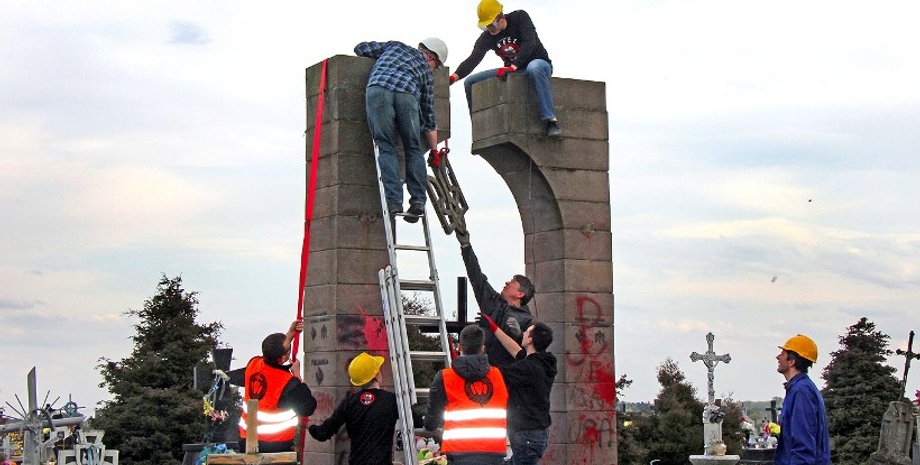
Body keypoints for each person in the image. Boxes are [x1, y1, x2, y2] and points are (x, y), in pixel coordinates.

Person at [354, 37, 448, 223]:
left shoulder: (394, 46)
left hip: (378, 90)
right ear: (431, 57)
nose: (434, 70)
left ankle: (394, 202)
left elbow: (360, 48)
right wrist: (434, 150)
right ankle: (418, 202)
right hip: (407, 97)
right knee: (413, 148)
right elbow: (429, 117)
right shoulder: (426, 73)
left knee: (386, 147)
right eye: (436, 67)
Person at [449, 0, 561, 138]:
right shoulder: (487, 37)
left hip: (539, 65)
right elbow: (474, 58)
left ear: (501, 17)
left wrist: (513, 66)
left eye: (492, 25)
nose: (490, 29)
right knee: (470, 82)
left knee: (534, 67)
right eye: (487, 26)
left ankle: (551, 121)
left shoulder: (519, 18)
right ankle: (479, 127)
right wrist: (455, 76)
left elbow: (530, 42)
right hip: (514, 71)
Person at [309, 352, 416, 465]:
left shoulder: (349, 403)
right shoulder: (392, 400)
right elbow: (416, 421)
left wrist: (309, 425)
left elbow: (323, 433)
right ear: (377, 375)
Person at [425, 325, 509, 465]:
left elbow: (431, 422)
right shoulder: (498, 375)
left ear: (459, 347)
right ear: (482, 348)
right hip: (493, 452)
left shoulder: (445, 377)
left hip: (459, 452)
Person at [480, 314, 557, 465]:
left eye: (526, 332)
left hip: (526, 435)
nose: (523, 333)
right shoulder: (543, 362)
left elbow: (495, 373)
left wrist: (470, 360)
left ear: (530, 340)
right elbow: (515, 350)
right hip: (535, 433)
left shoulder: (528, 368)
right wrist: (495, 328)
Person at [455, 229, 534, 367]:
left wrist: (519, 335)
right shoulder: (492, 302)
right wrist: (466, 246)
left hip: (507, 374)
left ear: (520, 294)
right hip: (482, 370)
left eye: (513, 282)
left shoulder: (527, 320)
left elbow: (531, 352)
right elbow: (476, 276)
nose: (507, 283)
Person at [239, 320, 317, 453]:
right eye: (288, 349)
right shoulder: (288, 382)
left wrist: (291, 333)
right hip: (275, 444)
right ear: (283, 358)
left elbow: (273, 352)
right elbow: (308, 407)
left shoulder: (253, 364)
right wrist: (297, 375)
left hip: (246, 439)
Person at [773, 334, 830, 465]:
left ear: (792, 361)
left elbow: (803, 445)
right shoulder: (799, 388)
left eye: (782, 353)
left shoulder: (801, 392)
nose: (778, 357)